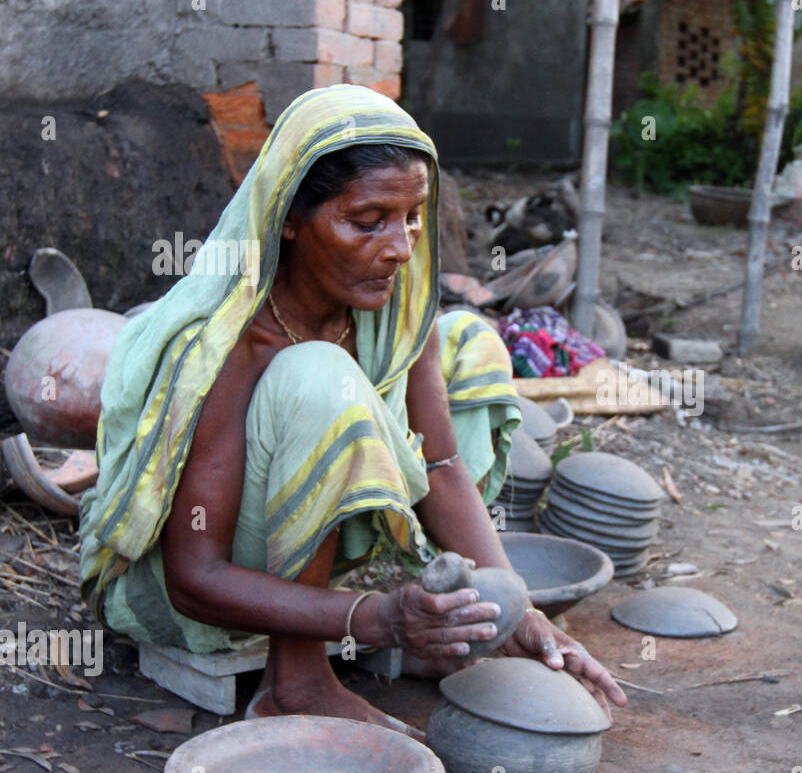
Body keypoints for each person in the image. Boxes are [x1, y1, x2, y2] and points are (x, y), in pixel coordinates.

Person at [79, 85, 627, 735]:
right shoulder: (233, 343)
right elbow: (194, 579)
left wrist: (520, 608)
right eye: (367, 221)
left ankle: (440, 610)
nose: (399, 246)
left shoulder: (394, 305)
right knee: (319, 376)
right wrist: (375, 618)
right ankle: (297, 679)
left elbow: (444, 465)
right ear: (288, 216)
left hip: (316, 567)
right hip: (206, 605)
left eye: (412, 216)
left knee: (471, 340)